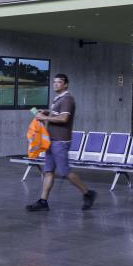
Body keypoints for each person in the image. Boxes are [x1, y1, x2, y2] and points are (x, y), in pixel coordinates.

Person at [26, 73, 96, 212]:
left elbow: (64, 119)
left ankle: (88, 193)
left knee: (64, 171)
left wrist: (44, 118)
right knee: (48, 171)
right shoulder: (58, 99)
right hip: (51, 140)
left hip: (61, 141)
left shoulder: (67, 100)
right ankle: (43, 201)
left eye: (59, 82)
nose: (55, 84)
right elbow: (57, 115)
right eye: (54, 82)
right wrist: (46, 112)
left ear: (65, 84)